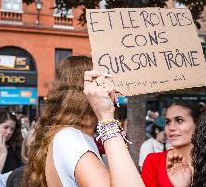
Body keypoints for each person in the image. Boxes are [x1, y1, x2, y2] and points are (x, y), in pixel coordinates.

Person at [21, 56, 145, 187]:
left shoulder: (69, 136)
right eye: (104, 83)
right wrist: (107, 118)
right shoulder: (71, 139)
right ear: (88, 92)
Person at [141, 100, 201, 187]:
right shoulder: (154, 161)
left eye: (180, 120)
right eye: (168, 122)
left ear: (197, 124)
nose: (171, 128)